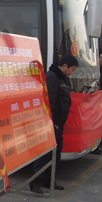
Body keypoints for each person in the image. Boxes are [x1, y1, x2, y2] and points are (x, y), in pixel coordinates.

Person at [30, 54, 79, 193]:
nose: (72, 73)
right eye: (72, 69)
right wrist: (50, 122)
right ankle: (36, 182)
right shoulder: (52, 77)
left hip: (58, 124)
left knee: (55, 154)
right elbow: (49, 102)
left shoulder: (62, 78)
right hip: (51, 124)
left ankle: (49, 180)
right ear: (65, 66)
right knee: (45, 154)